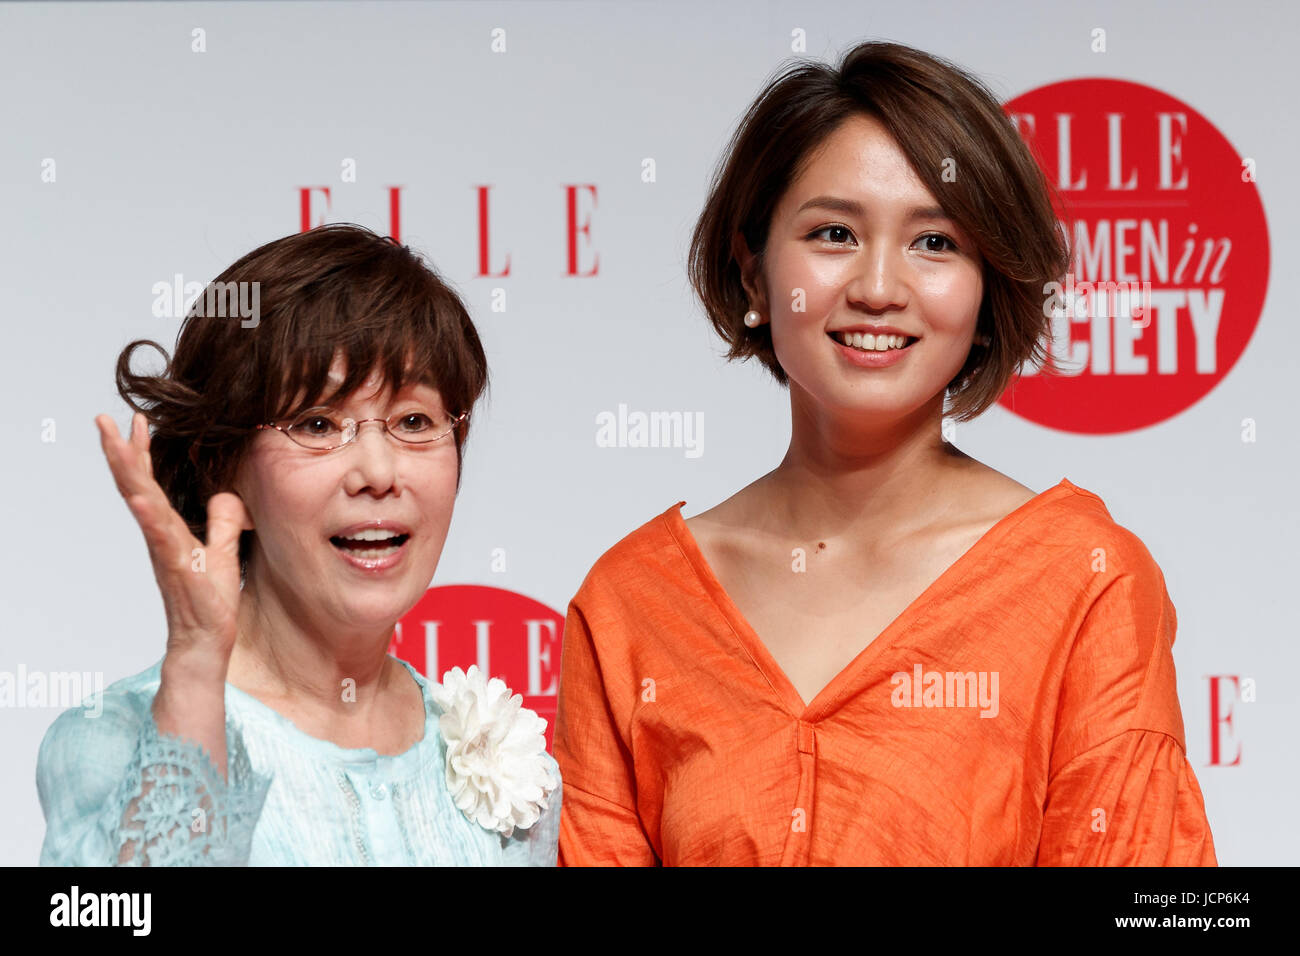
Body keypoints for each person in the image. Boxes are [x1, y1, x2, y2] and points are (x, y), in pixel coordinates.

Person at [553, 41, 1217, 866]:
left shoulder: (1083, 581)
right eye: (834, 232)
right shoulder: (630, 606)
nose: (877, 286)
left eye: (935, 243)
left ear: (989, 290)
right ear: (753, 273)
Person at [37, 223, 560, 865]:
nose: (378, 472)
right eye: (318, 423)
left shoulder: (504, 768)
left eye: (415, 422)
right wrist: (196, 678)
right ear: (225, 470)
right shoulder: (114, 738)